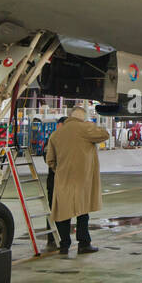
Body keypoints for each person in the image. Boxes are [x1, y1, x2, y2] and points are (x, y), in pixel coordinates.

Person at [44, 107, 107, 255]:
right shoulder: (86, 129)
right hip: (82, 180)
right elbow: (105, 134)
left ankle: (64, 245)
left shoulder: (56, 134)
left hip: (62, 179)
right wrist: (89, 124)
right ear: (83, 118)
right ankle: (84, 244)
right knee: (82, 212)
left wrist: (59, 171)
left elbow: (50, 160)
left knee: (63, 214)